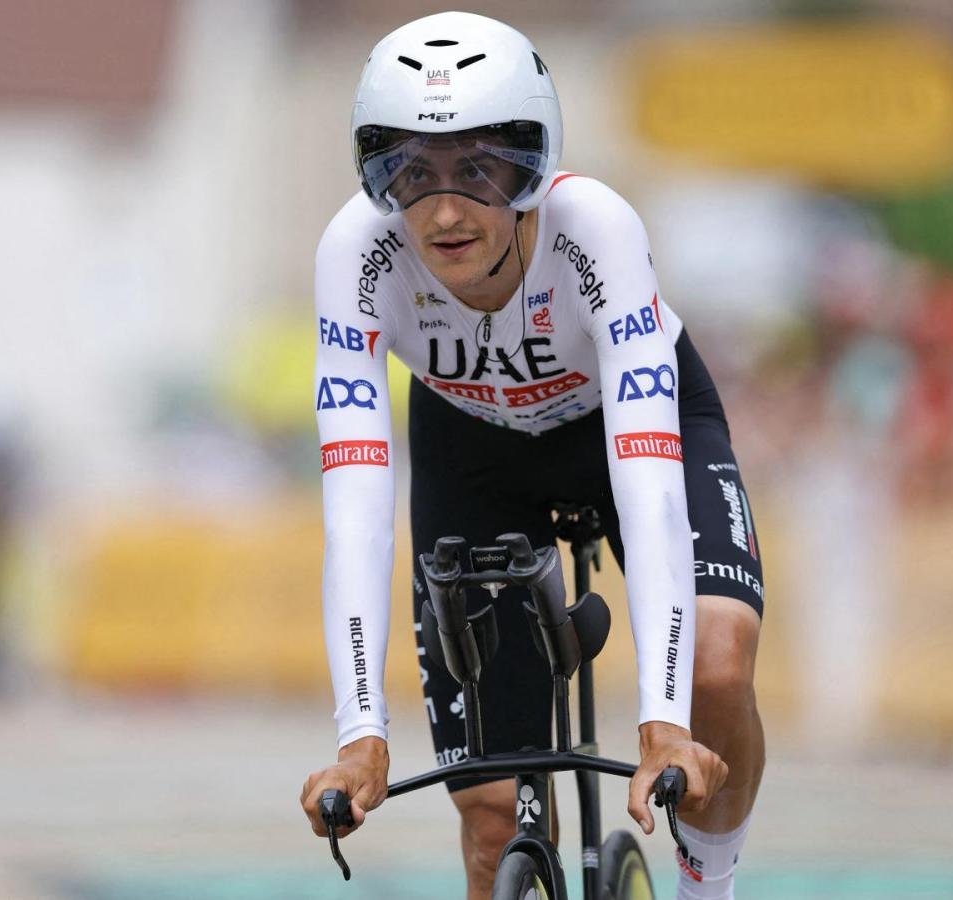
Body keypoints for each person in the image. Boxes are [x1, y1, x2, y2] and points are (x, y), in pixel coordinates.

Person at [301, 12, 765, 900]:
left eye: (479, 169)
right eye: (409, 170)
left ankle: (712, 885)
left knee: (716, 663)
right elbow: (357, 509)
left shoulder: (593, 228)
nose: (441, 211)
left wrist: (663, 722)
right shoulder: (356, 255)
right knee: (490, 814)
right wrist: (360, 732)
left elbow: (649, 483)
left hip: (619, 429)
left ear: (533, 165)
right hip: (473, 452)